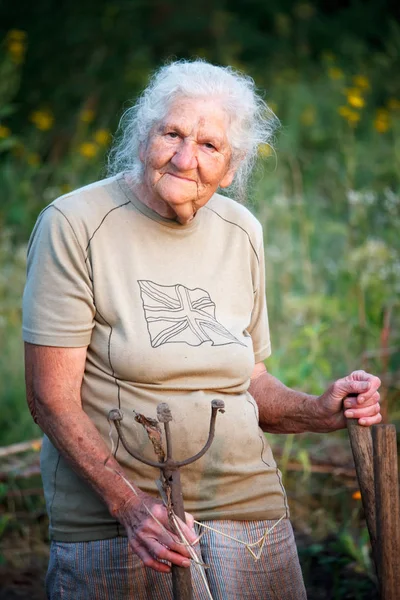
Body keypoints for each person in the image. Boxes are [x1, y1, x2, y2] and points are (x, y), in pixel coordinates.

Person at [22, 60, 382, 600]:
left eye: (210, 146)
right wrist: (128, 505)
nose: (186, 158)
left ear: (232, 167)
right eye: (172, 133)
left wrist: (319, 409)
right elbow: (50, 397)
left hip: (248, 505)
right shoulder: (74, 224)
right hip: (125, 519)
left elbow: (250, 381)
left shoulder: (242, 232)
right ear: (145, 136)